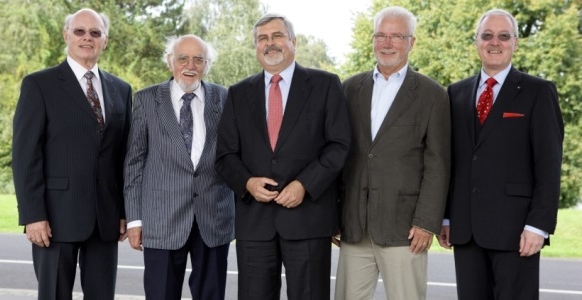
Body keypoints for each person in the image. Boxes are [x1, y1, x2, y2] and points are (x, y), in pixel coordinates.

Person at [215, 13, 351, 300]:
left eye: (277, 36)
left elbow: (339, 145)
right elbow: (225, 155)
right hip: (255, 222)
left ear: (293, 41)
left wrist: (304, 185)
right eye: (262, 38)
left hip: (308, 217)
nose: (270, 44)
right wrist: (248, 183)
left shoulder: (325, 85)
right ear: (256, 47)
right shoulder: (238, 93)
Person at [437, 8, 564, 300]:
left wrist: (539, 225)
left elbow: (548, 165)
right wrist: (446, 218)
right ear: (476, 41)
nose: (495, 42)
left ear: (515, 43)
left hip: (517, 231)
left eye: (504, 36)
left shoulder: (539, 91)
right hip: (466, 228)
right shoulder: (455, 93)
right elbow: (449, 161)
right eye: (487, 35)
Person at [11, 8, 131, 300]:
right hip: (55, 219)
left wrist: (125, 212)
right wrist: (33, 215)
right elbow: (26, 156)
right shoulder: (39, 85)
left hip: (105, 220)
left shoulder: (122, 89)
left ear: (105, 40)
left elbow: (125, 156)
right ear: (66, 35)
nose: (86, 38)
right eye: (79, 31)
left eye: (95, 32)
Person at [334, 6, 451, 300]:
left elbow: (438, 163)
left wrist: (427, 222)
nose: (387, 43)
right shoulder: (348, 89)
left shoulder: (432, 94)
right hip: (354, 224)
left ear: (411, 42)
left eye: (396, 36)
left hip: (405, 228)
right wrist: (333, 216)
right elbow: (336, 156)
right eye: (380, 35)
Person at [123, 34, 234, 300]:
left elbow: (234, 157)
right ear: (170, 61)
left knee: (212, 295)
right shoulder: (147, 99)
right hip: (160, 220)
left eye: (199, 59)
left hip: (213, 218)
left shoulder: (225, 98)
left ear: (207, 65)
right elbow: (134, 162)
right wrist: (135, 220)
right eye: (183, 58)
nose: (190, 65)